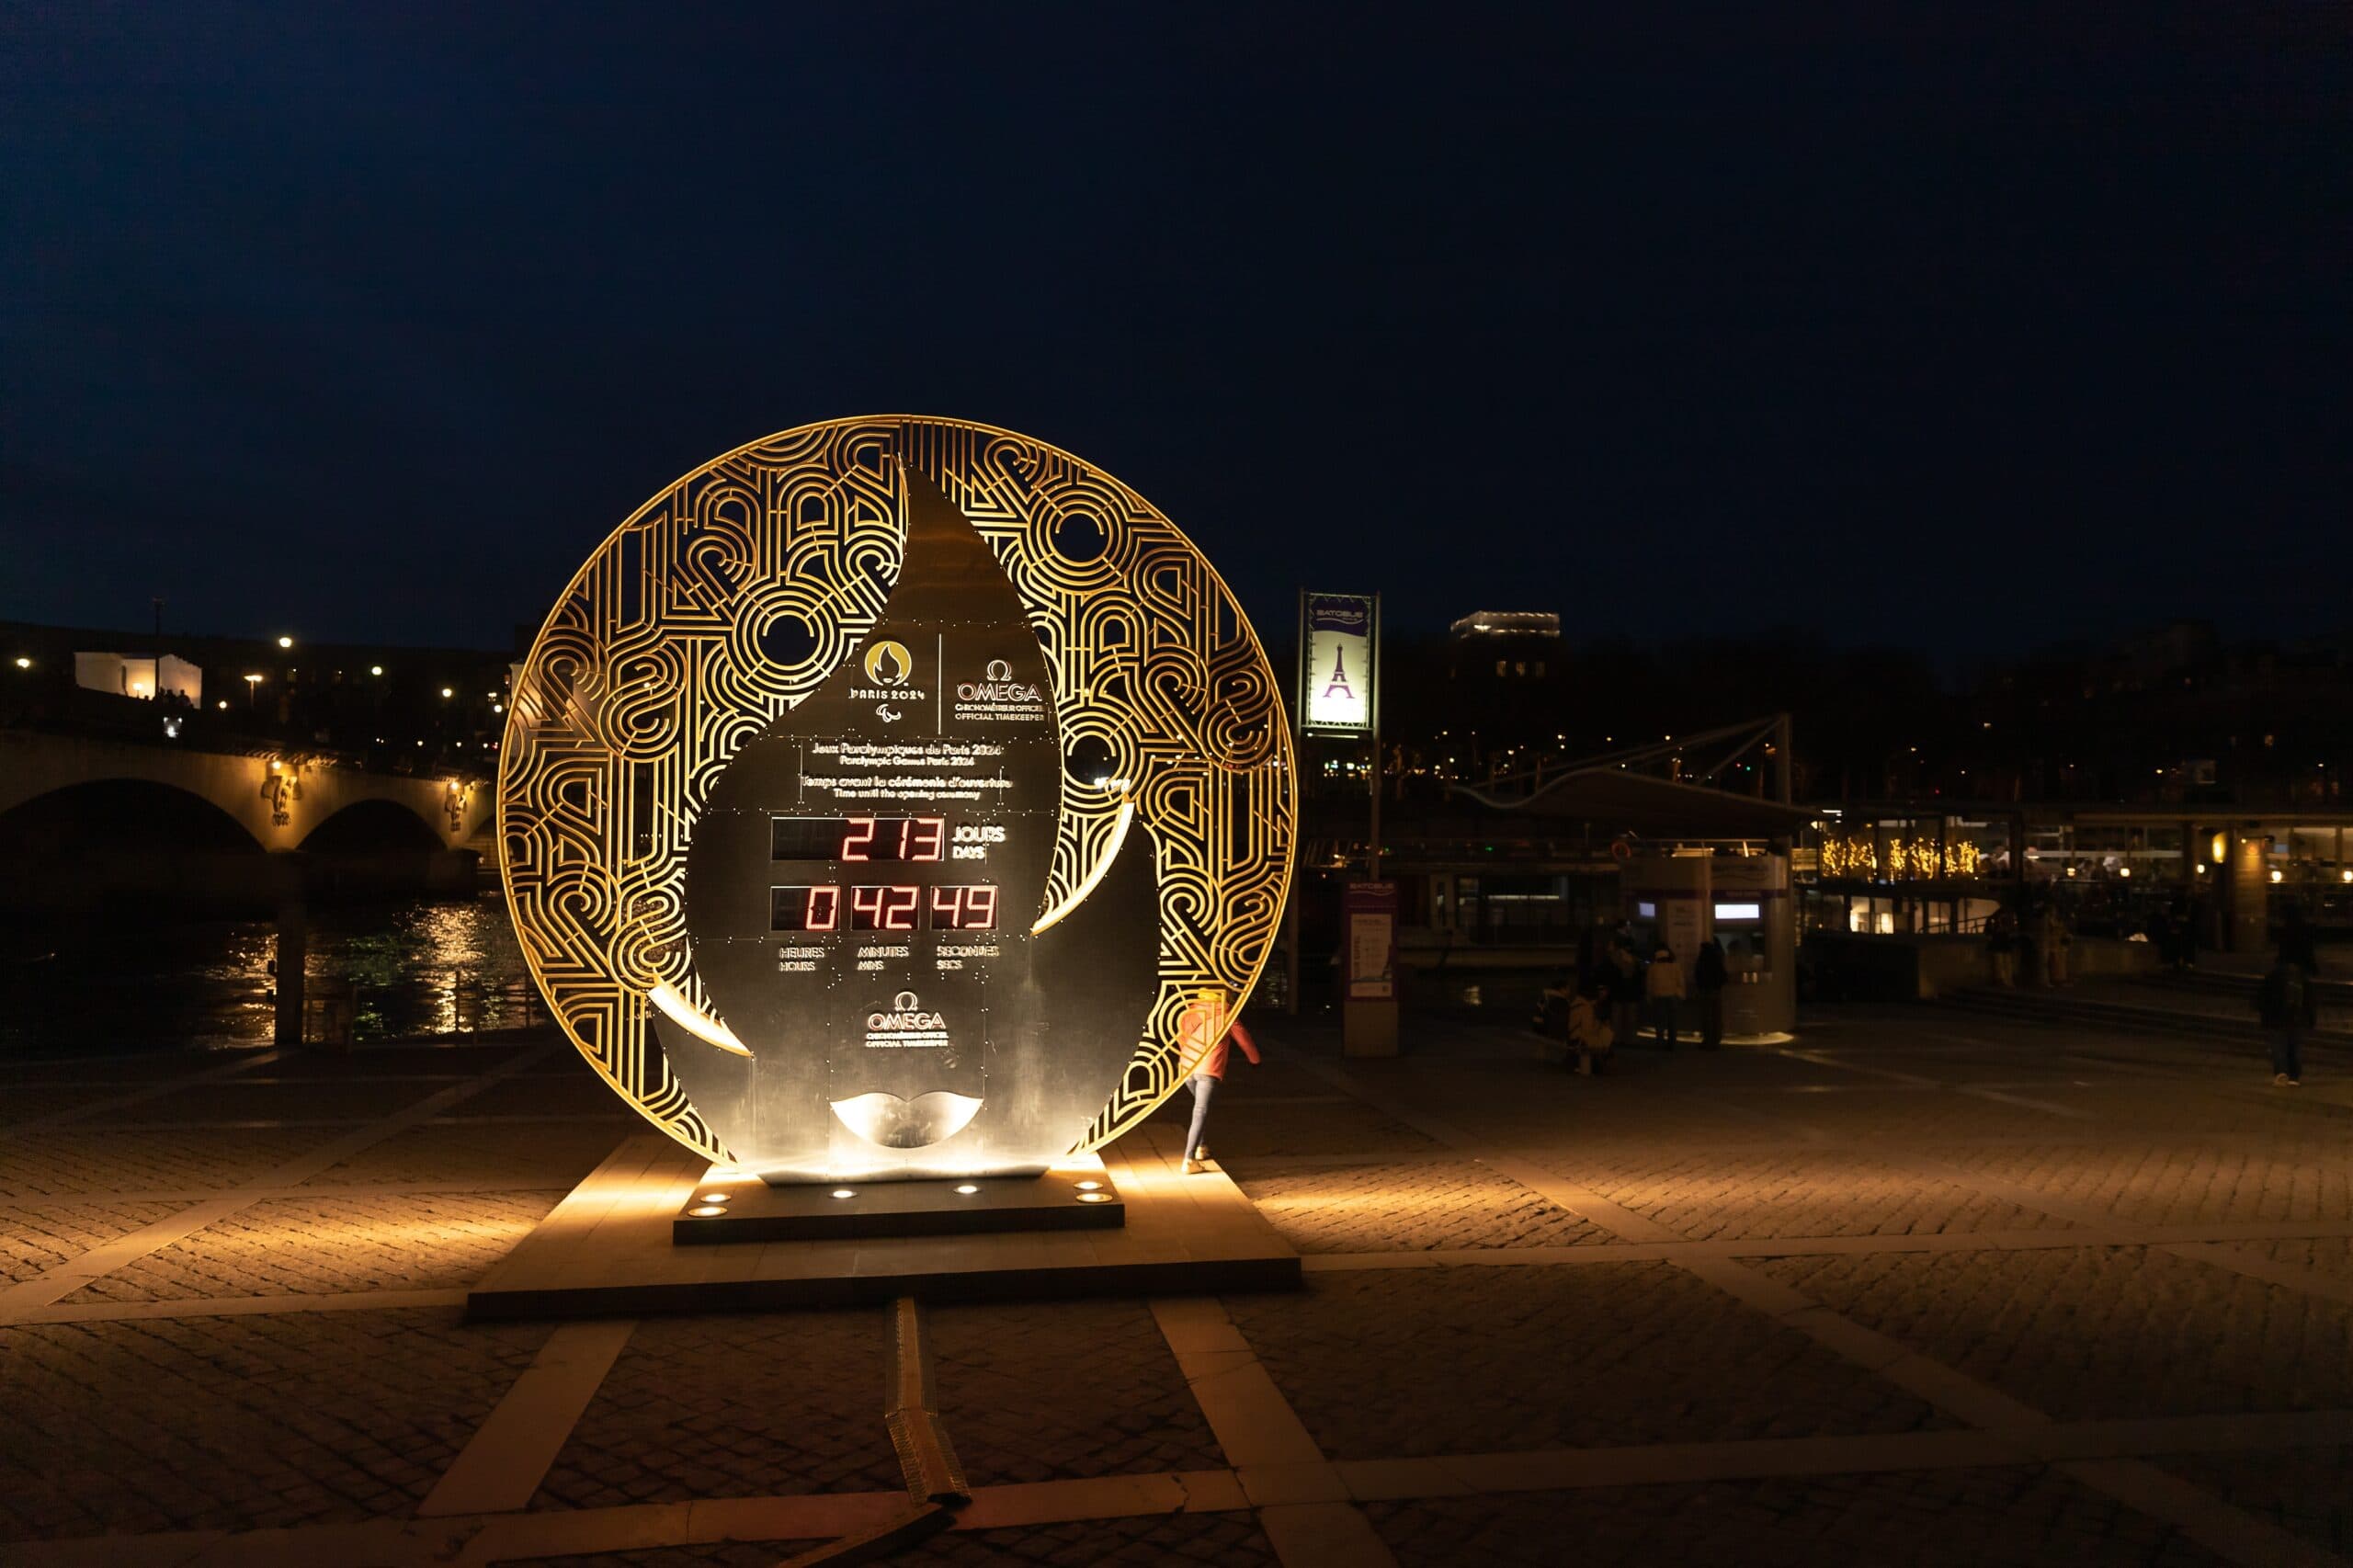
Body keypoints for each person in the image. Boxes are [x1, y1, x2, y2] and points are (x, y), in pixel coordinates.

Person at [1176, 988, 1259, 1174]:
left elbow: (1182, 1037)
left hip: (1187, 1066)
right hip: (1208, 1068)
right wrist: (1255, 1060)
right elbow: (1244, 1039)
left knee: (1200, 1109)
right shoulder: (1228, 1015)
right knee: (1201, 1110)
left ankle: (1200, 1147)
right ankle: (1189, 1159)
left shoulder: (1192, 1010)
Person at [2256, 957, 2314, 1087]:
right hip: (2297, 1019)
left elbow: (2263, 997)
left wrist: (2263, 1013)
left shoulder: (2273, 977)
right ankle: (2294, 1076)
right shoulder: (2303, 979)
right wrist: (2310, 1019)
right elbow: (2309, 1001)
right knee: (2295, 1047)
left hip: (2276, 1018)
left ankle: (2281, 1072)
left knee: (2278, 1047)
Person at [1644, 939, 1686, 1048]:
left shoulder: (1653, 967)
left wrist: (1649, 996)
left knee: (1660, 1021)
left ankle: (1660, 1043)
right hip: (1672, 996)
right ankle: (1672, 1044)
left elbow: (1649, 984)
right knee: (1672, 1021)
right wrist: (1681, 994)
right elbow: (1680, 982)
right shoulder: (1675, 966)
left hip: (1658, 996)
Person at [1604, 942, 1643, 1053]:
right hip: (1631, 994)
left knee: (1616, 1018)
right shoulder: (1635, 961)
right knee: (1631, 1018)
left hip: (1617, 993)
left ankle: (1616, 1038)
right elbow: (1639, 978)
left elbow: (1609, 977)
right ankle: (1630, 1039)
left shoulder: (1613, 960)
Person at [1693, 935, 1727, 1049]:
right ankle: (1716, 1040)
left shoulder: (1701, 961)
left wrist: (1700, 987)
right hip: (1716, 991)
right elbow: (1723, 976)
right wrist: (1718, 986)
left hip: (1704, 992)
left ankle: (1707, 1040)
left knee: (1706, 1017)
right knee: (1716, 1016)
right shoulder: (1717, 960)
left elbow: (1697, 976)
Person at [2279, 904, 2321, 978]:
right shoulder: (2301, 927)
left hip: (2295, 962)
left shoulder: (2290, 928)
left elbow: (2287, 947)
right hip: (2299, 962)